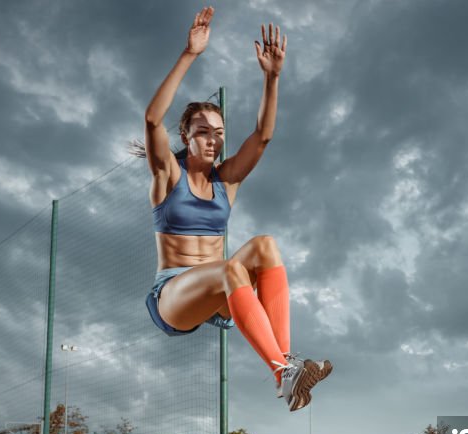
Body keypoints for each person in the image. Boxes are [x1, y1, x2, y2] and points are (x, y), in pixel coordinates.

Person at [137, 7, 331, 411]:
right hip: (174, 295)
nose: (212, 140)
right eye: (203, 133)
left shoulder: (226, 182)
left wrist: (272, 77)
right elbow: (153, 120)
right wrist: (189, 54)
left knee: (264, 245)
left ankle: (287, 366)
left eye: (219, 134)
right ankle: (284, 372)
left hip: (222, 290)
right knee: (231, 267)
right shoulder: (167, 176)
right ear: (186, 137)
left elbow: (262, 136)